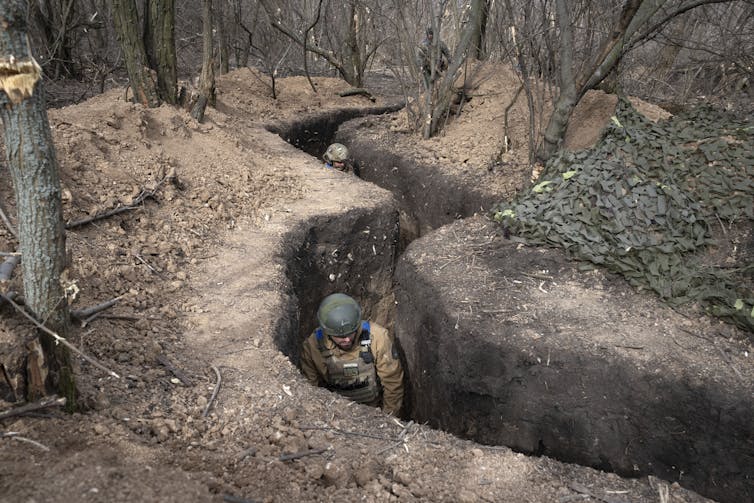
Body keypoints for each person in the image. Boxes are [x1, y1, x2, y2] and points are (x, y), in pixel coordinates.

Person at [300, 293, 404, 416]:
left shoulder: (378, 337)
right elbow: (309, 387)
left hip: (374, 412)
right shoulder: (313, 346)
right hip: (335, 414)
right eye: (340, 337)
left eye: (351, 333)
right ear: (327, 332)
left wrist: (388, 419)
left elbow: (393, 382)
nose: (347, 340)